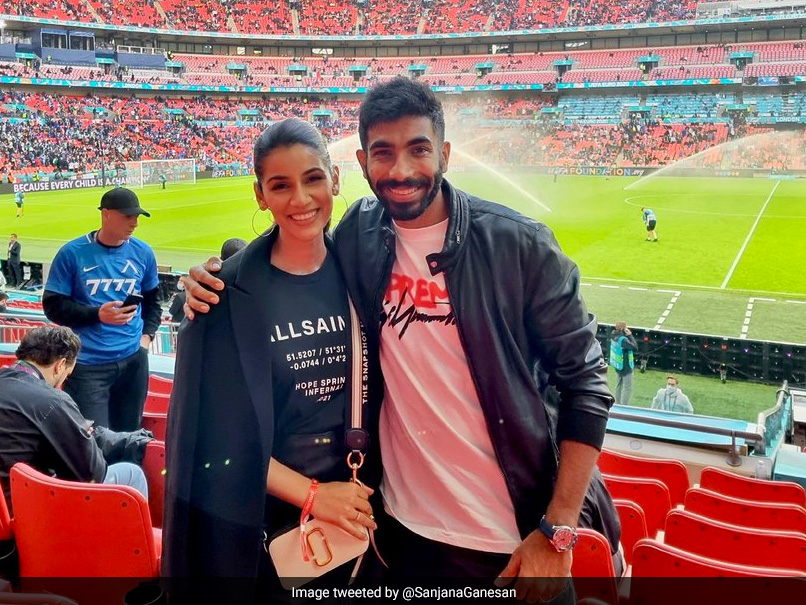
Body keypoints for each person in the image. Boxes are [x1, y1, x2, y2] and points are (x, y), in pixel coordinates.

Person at [182, 78, 621, 603]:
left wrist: (559, 528)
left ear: (445, 154)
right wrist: (214, 279)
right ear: (362, 163)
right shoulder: (359, 234)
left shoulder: (519, 245)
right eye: (384, 153)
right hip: (400, 537)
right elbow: (293, 245)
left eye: (418, 149)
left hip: (509, 542)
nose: (402, 170)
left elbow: (586, 385)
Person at [162, 119, 377, 600]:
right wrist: (315, 496)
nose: (301, 199)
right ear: (260, 195)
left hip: (363, 505)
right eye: (280, 186)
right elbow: (217, 442)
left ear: (335, 180)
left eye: (313, 179)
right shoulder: (223, 297)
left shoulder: (366, 274)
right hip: (268, 525)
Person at [42, 188, 161, 432]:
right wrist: (97, 315)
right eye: (128, 216)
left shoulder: (143, 252)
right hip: (88, 366)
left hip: (133, 361)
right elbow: (53, 306)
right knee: (93, 438)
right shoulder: (72, 253)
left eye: (137, 217)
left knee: (130, 436)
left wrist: (146, 338)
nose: (135, 223)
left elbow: (153, 301)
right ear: (106, 214)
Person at [0, 326, 149, 514]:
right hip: (23, 512)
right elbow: (92, 474)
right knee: (132, 474)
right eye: (67, 374)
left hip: (8, 505)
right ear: (60, 365)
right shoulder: (52, 400)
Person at [609, 321, 638, 405]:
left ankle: (617, 403)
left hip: (618, 364)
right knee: (627, 387)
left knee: (618, 385)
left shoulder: (613, 335)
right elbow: (635, 347)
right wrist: (630, 335)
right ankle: (624, 406)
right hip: (625, 366)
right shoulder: (623, 340)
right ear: (623, 329)